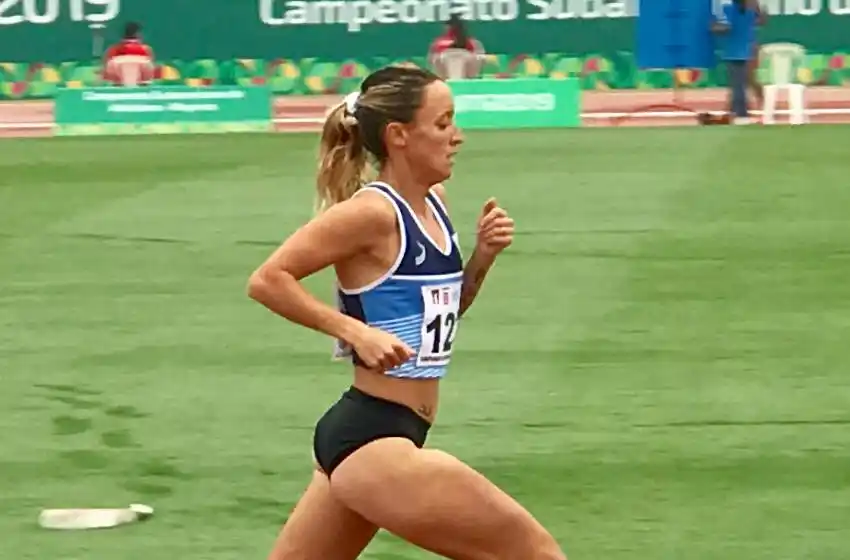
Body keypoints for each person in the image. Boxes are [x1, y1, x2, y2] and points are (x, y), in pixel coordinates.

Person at [247, 64, 567, 560]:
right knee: (535, 555)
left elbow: (445, 313)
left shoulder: (434, 205)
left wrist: (481, 258)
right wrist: (355, 332)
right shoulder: (370, 213)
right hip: (373, 438)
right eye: (442, 124)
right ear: (399, 136)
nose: (457, 137)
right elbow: (268, 280)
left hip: (378, 435)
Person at [711, 0, 761, 124]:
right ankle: (737, 111)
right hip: (746, 50)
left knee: (737, 85)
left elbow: (726, 28)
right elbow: (760, 19)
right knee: (740, 84)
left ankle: (741, 113)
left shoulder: (730, 10)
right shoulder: (750, 11)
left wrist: (712, 28)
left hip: (733, 51)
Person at [102, 21, 155, 86]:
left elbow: (105, 70)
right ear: (139, 34)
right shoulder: (146, 49)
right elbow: (151, 70)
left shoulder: (113, 49)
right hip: (142, 76)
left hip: (117, 76)